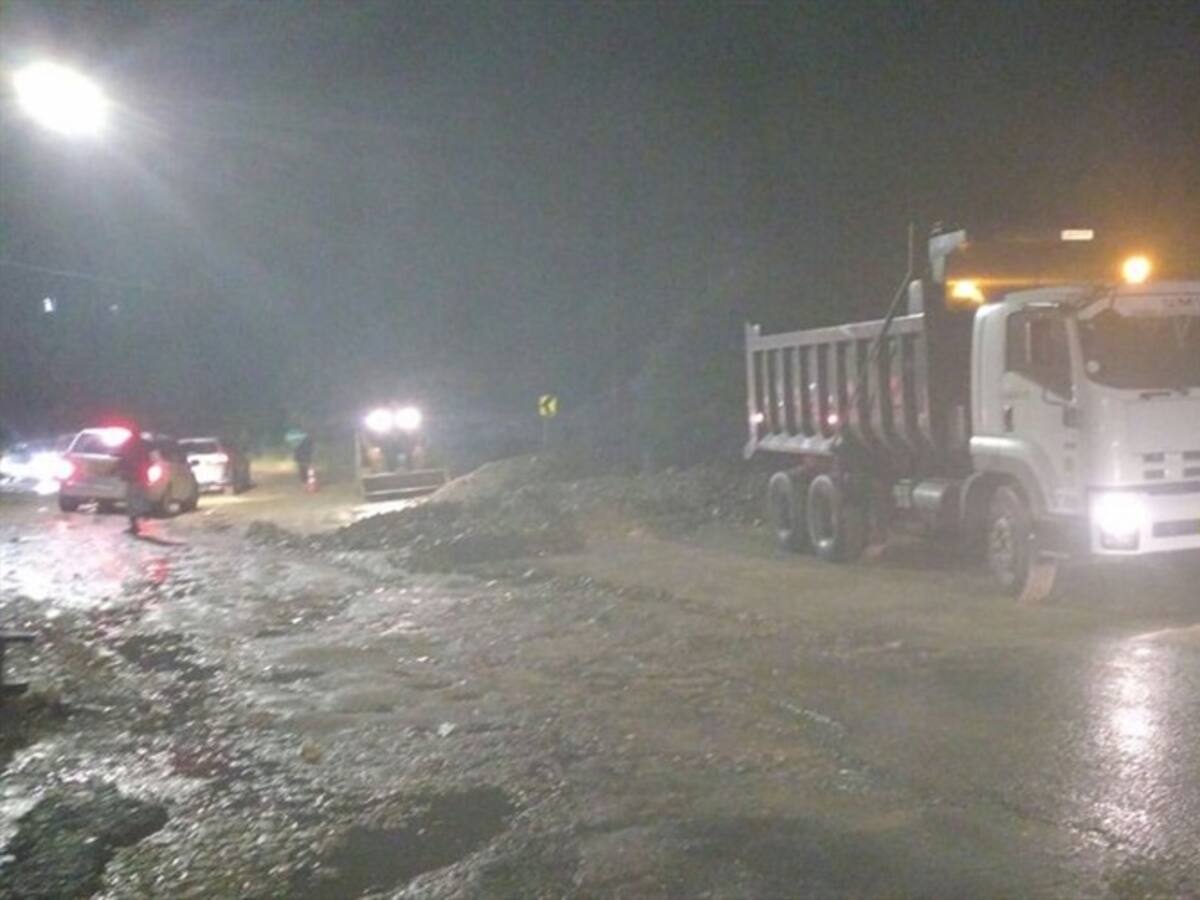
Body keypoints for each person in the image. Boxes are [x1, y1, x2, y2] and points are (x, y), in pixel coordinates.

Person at [116, 430, 152, 536]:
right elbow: (149, 460)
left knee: (132, 501)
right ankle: (144, 513)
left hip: (132, 477)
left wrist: (121, 470)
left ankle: (134, 524)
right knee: (141, 497)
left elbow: (123, 458)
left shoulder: (128, 444)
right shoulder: (144, 444)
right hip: (141, 476)